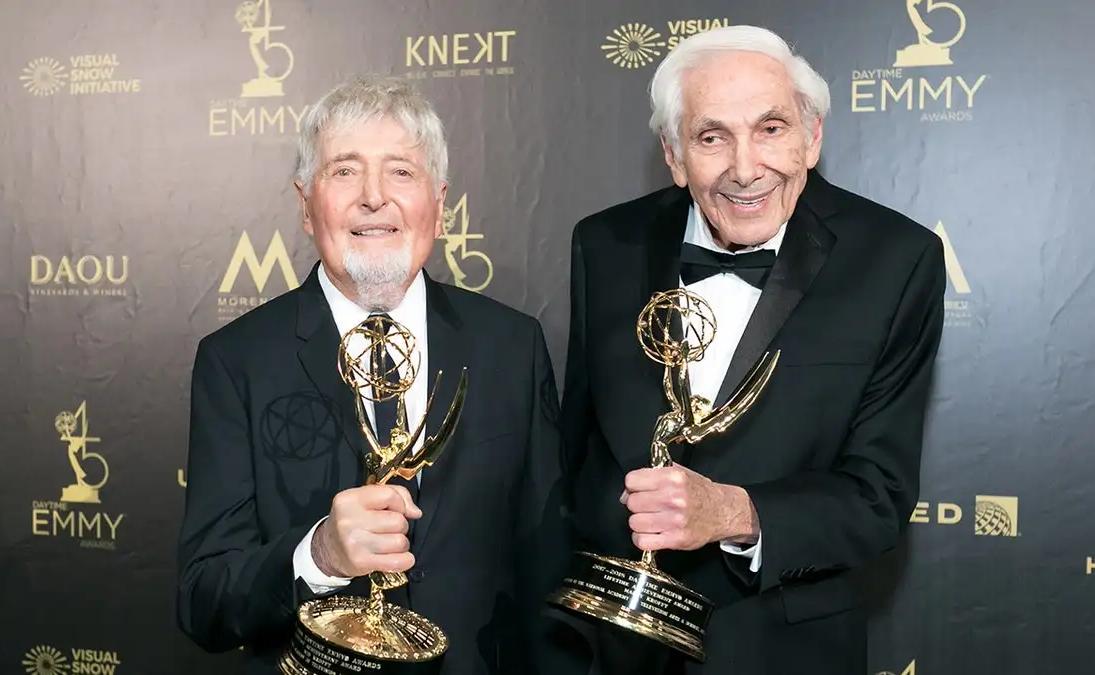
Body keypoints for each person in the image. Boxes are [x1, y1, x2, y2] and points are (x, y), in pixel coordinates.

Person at [559, 26, 946, 675]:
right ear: (675, 155)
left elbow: (877, 496)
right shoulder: (604, 244)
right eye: (712, 137)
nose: (745, 167)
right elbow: (575, 456)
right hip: (613, 649)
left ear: (811, 137)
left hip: (783, 648)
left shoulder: (896, 260)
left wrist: (732, 512)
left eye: (771, 129)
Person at [176, 74, 582, 675]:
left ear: (439, 204)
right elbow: (203, 601)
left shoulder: (512, 347)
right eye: (344, 171)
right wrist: (318, 555)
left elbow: (548, 570)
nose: (374, 197)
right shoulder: (235, 361)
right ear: (305, 205)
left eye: (400, 170)